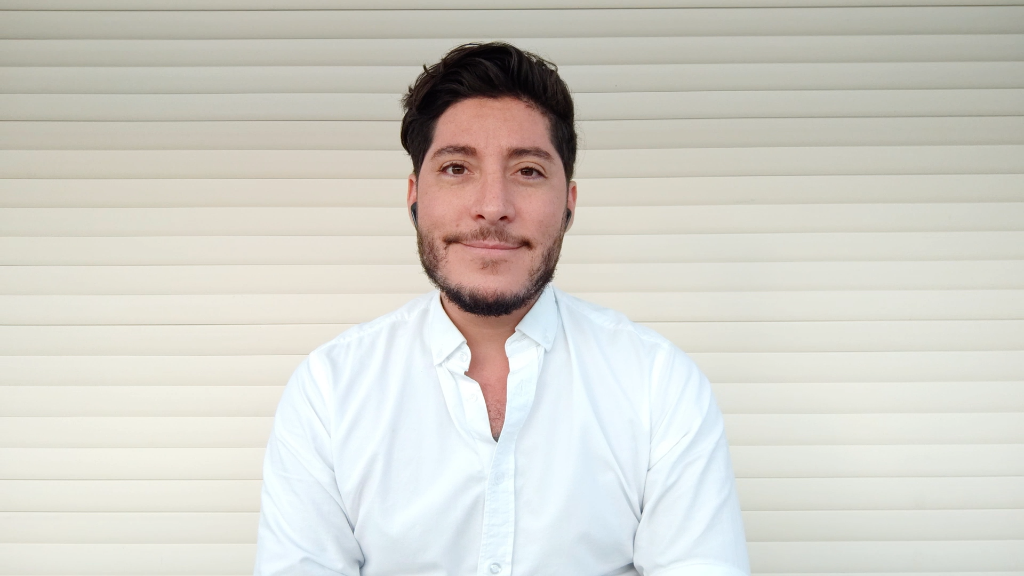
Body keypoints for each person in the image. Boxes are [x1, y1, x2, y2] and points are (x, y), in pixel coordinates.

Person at [254, 42, 750, 576]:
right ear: (414, 195)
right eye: (456, 167)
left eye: (528, 171)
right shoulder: (330, 390)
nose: (493, 207)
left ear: (569, 203)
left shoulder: (658, 383)